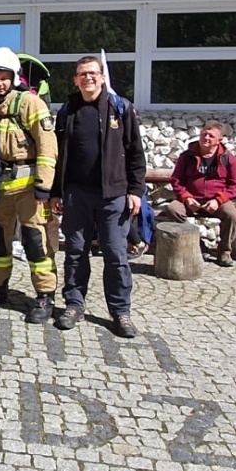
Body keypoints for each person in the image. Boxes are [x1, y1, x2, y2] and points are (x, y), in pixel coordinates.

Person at [49, 55, 146, 338]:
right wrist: (57, 191)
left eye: (92, 73)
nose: (87, 78)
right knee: (76, 254)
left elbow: (136, 153)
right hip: (76, 196)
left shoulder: (121, 108)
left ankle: (120, 312)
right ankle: (74, 305)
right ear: (75, 79)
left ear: (102, 77)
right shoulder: (68, 111)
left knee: (116, 255)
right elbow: (59, 155)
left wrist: (136, 191)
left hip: (113, 195)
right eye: (82, 74)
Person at [0, 47, 59, 325]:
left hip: (29, 189)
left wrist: (44, 187)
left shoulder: (30, 104)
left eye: (5, 77)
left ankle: (45, 295)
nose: (0, 82)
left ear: (14, 77)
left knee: (36, 242)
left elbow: (48, 146)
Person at [163, 121, 236, 267]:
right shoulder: (187, 156)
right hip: (191, 199)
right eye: (204, 134)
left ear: (219, 140)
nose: (206, 138)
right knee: (172, 209)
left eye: (211, 136)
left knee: (232, 216)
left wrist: (219, 200)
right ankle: (198, 245)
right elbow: (176, 180)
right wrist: (186, 197)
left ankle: (224, 252)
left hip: (217, 200)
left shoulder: (228, 158)